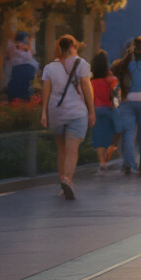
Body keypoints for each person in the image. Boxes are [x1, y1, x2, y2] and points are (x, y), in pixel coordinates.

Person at [39, 35, 94, 200]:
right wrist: (92, 111)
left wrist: (44, 113)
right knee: (72, 149)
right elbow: (86, 87)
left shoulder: (49, 68)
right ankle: (68, 179)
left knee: (61, 149)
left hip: (56, 113)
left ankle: (62, 181)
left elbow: (46, 91)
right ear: (72, 46)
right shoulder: (81, 64)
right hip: (77, 113)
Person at [114, 37, 141, 176]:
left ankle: (127, 163)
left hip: (127, 101)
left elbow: (116, 78)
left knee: (128, 133)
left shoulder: (124, 63)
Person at [89, 50, 121, 170]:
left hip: (96, 110)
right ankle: (109, 154)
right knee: (117, 131)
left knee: (99, 135)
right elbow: (116, 82)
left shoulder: (91, 81)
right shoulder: (109, 80)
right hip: (109, 109)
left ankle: (101, 161)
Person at [5, 30, 38, 102]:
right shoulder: (16, 46)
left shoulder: (21, 46)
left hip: (24, 69)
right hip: (20, 69)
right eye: (26, 38)